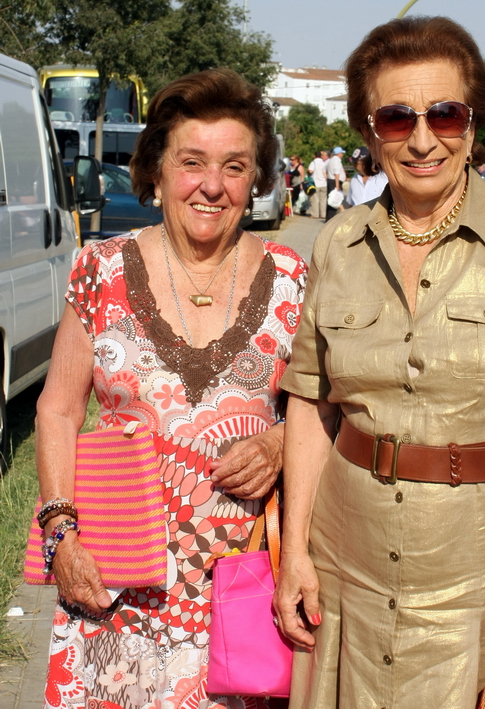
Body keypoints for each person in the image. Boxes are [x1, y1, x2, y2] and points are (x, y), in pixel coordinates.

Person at [273, 16, 485, 709]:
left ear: (472, 123)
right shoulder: (336, 244)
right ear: (370, 132)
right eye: (397, 119)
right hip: (349, 562)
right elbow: (310, 402)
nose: (423, 139)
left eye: (444, 114)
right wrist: (295, 550)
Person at [35, 68, 306, 709]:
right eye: (192, 162)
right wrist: (60, 538)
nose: (212, 185)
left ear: (257, 179)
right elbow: (58, 407)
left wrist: (280, 440)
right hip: (113, 585)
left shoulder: (295, 279)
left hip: (238, 596)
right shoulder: (99, 268)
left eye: (235, 166)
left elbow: (327, 412)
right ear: (156, 170)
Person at [325, 146, 346, 221]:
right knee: (335, 199)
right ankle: (332, 218)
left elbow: (325, 170)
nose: (342, 155)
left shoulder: (330, 160)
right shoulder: (337, 161)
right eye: (341, 153)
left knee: (331, 199)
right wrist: (337, 186)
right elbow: (337, 174)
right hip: (335, 181)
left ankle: (329, 217)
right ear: (339, 153)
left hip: (330, 180)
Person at [308, 150, 328, 219]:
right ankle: (323, 214)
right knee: (323, 200)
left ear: (314, 156)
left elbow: (311, 170)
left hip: (315, 183)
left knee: (315, 200)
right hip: (324, 183)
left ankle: (315, 214)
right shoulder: (324, 163)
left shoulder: (313, 162)